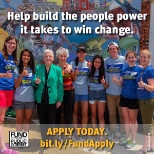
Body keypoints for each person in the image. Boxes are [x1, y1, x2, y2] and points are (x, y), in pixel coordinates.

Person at [112, 51, 141, 149]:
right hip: (124, 96)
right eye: (129, 57)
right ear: (126, 59)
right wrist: (116, 81)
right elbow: (121, 83)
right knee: (126, 119)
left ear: (136, 58)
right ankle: (127, 137)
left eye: (133, 57)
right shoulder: (124, 69)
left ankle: (133, 140)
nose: (131, 59)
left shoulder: (139, 69)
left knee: (133, 120)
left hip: (134, 97)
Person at [33, 49, 63, 142]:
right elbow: (34, 81)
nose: (48, 58)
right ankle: (44, 139)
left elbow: (60, 85)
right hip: (41, 98)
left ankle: (51, 139)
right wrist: (35, 82)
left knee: (51, 120)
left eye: (50, 56)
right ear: (43, 58)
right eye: (46, 56)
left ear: (53, 58)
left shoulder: (57, 69)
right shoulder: (38, 68)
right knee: (42, 120)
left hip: (52, 99)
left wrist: (59, 100)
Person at [0, 36, 19, 154]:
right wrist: (3, 76)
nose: (12, 45)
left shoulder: (12, 58)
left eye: (14, 44)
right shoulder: (0, 55)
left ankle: (1, 143)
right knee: (1, 119)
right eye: (10, 43)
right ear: (6, 43)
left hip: (9, 90)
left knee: (2, 118)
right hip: (1, 89)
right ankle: (2, 148)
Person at [104, 42, 125, 141]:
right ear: (108, 51)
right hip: (110, 93)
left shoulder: (124, 60)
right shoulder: (106, 61)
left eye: (114, 48)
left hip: (121, 93)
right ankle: (112, 132)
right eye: (110, 49)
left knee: (122, 114)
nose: (112, 50)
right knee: (112, 114)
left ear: (117, 49)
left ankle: (122, 133)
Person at [135, 49, 154, 154]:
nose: (142, 59)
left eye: (145, 57)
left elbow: (152, 87)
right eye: (141, 56)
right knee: (150, 123)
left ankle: (144, 148)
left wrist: (144, 85)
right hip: (143, 100)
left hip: (147, 100)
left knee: (146, 124)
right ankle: (152, 145)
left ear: (149, 58)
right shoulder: (143, 69)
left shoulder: (149, 70)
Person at [13, 49, 35, 132]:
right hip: (19, 99)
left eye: (28, 55)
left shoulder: (33, 69)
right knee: (19, 121)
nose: (26, 57)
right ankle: (18, 140)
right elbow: (16, 85)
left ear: (30, 57)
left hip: (30, 99)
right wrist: (21, 75)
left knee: (27, 120)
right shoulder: (16, 69)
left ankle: (25, 140)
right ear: (21, 56)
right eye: (24, 55)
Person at [71, 46, 90, 139]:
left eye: (83, 52)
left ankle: (83, 131)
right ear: (77, 54)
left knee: (85, 113)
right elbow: (72, 79)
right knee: (75, 112)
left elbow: (91, 77)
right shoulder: (73, 64)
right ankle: (76, 131)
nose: (81, 54)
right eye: (80, 52)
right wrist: (75, 74)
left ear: (86, 54)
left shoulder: (88, 64)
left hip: (84, 92)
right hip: (75, 91)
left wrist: (90, 68)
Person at [55, 47, 74, 140]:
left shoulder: (69, 66)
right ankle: (58, 134)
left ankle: (69, 134)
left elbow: (73, 79)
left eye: (64, 56)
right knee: (57, 114)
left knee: (68, 114)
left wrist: (71, 70)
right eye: (61, 56)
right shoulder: (54, 68)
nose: (63, 58)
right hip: (58, 93)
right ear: (58, 57)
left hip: (69, 92)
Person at [88, 55, 108, 141]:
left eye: (99, 62)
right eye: (95, 62)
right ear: (93, 62)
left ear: (101, 63)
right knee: (93, 115)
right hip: (92, 94)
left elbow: (107, 86)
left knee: (101, 116)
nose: (97, 64)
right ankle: (94, 135)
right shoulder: (89, 71)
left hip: (102, 94)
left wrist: (104, 83)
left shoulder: (104, 72)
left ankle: (101, 136)